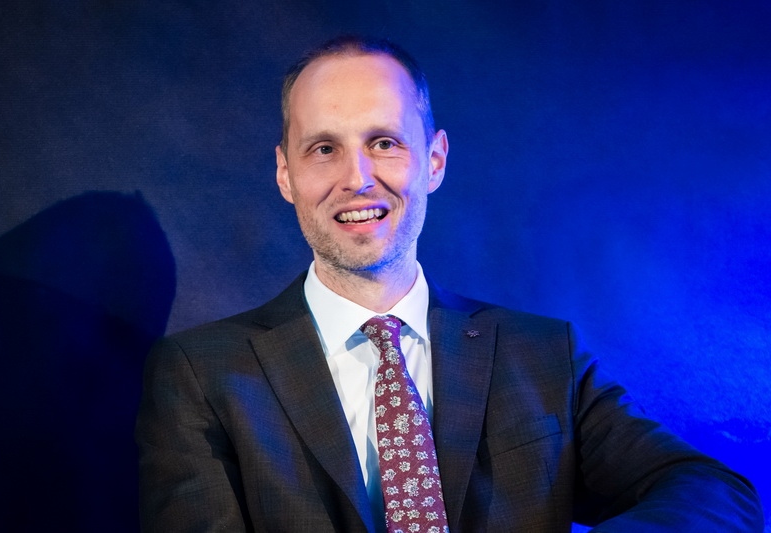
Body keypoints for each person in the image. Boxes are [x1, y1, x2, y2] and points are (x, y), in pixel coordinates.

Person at [135, 36, 764, 532]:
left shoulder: (543, 357)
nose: (356, 178)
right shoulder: (199, 376)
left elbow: (714, 493)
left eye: (384, 142)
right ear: (285, 174)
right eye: (323, 149)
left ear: (434, 160)